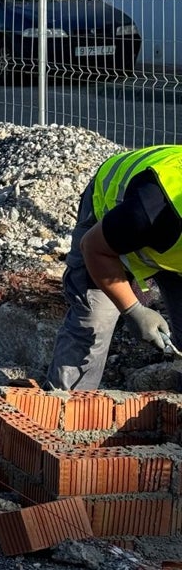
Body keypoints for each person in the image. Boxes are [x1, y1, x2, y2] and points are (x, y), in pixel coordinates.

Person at [47, 146, 182, 390]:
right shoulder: (151, 208)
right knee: (95, 320)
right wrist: (133, 310)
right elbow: (95, 249)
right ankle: (66, 412)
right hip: (109, 219)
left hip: (167, 244)